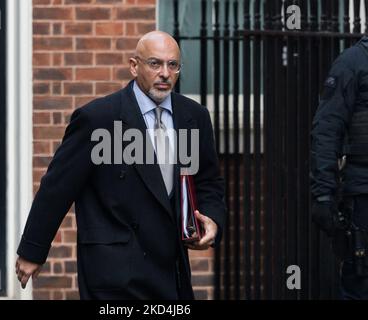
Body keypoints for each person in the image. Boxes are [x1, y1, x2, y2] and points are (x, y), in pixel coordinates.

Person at [16, 31, 226, 299]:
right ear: (134, 66)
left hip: (171, 270)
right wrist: (33, 250)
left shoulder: (193, 116)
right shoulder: (98, 119)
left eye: (172, 65)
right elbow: (58, 187)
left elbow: (208, 180)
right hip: (114, 271)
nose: (164, 73)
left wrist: (212, 220)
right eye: (155, 63)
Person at [311, 36, 368, 299]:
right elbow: (327, 130)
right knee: (362, 283)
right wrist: (323, 194)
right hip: (365, 194)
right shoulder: (354, 61)